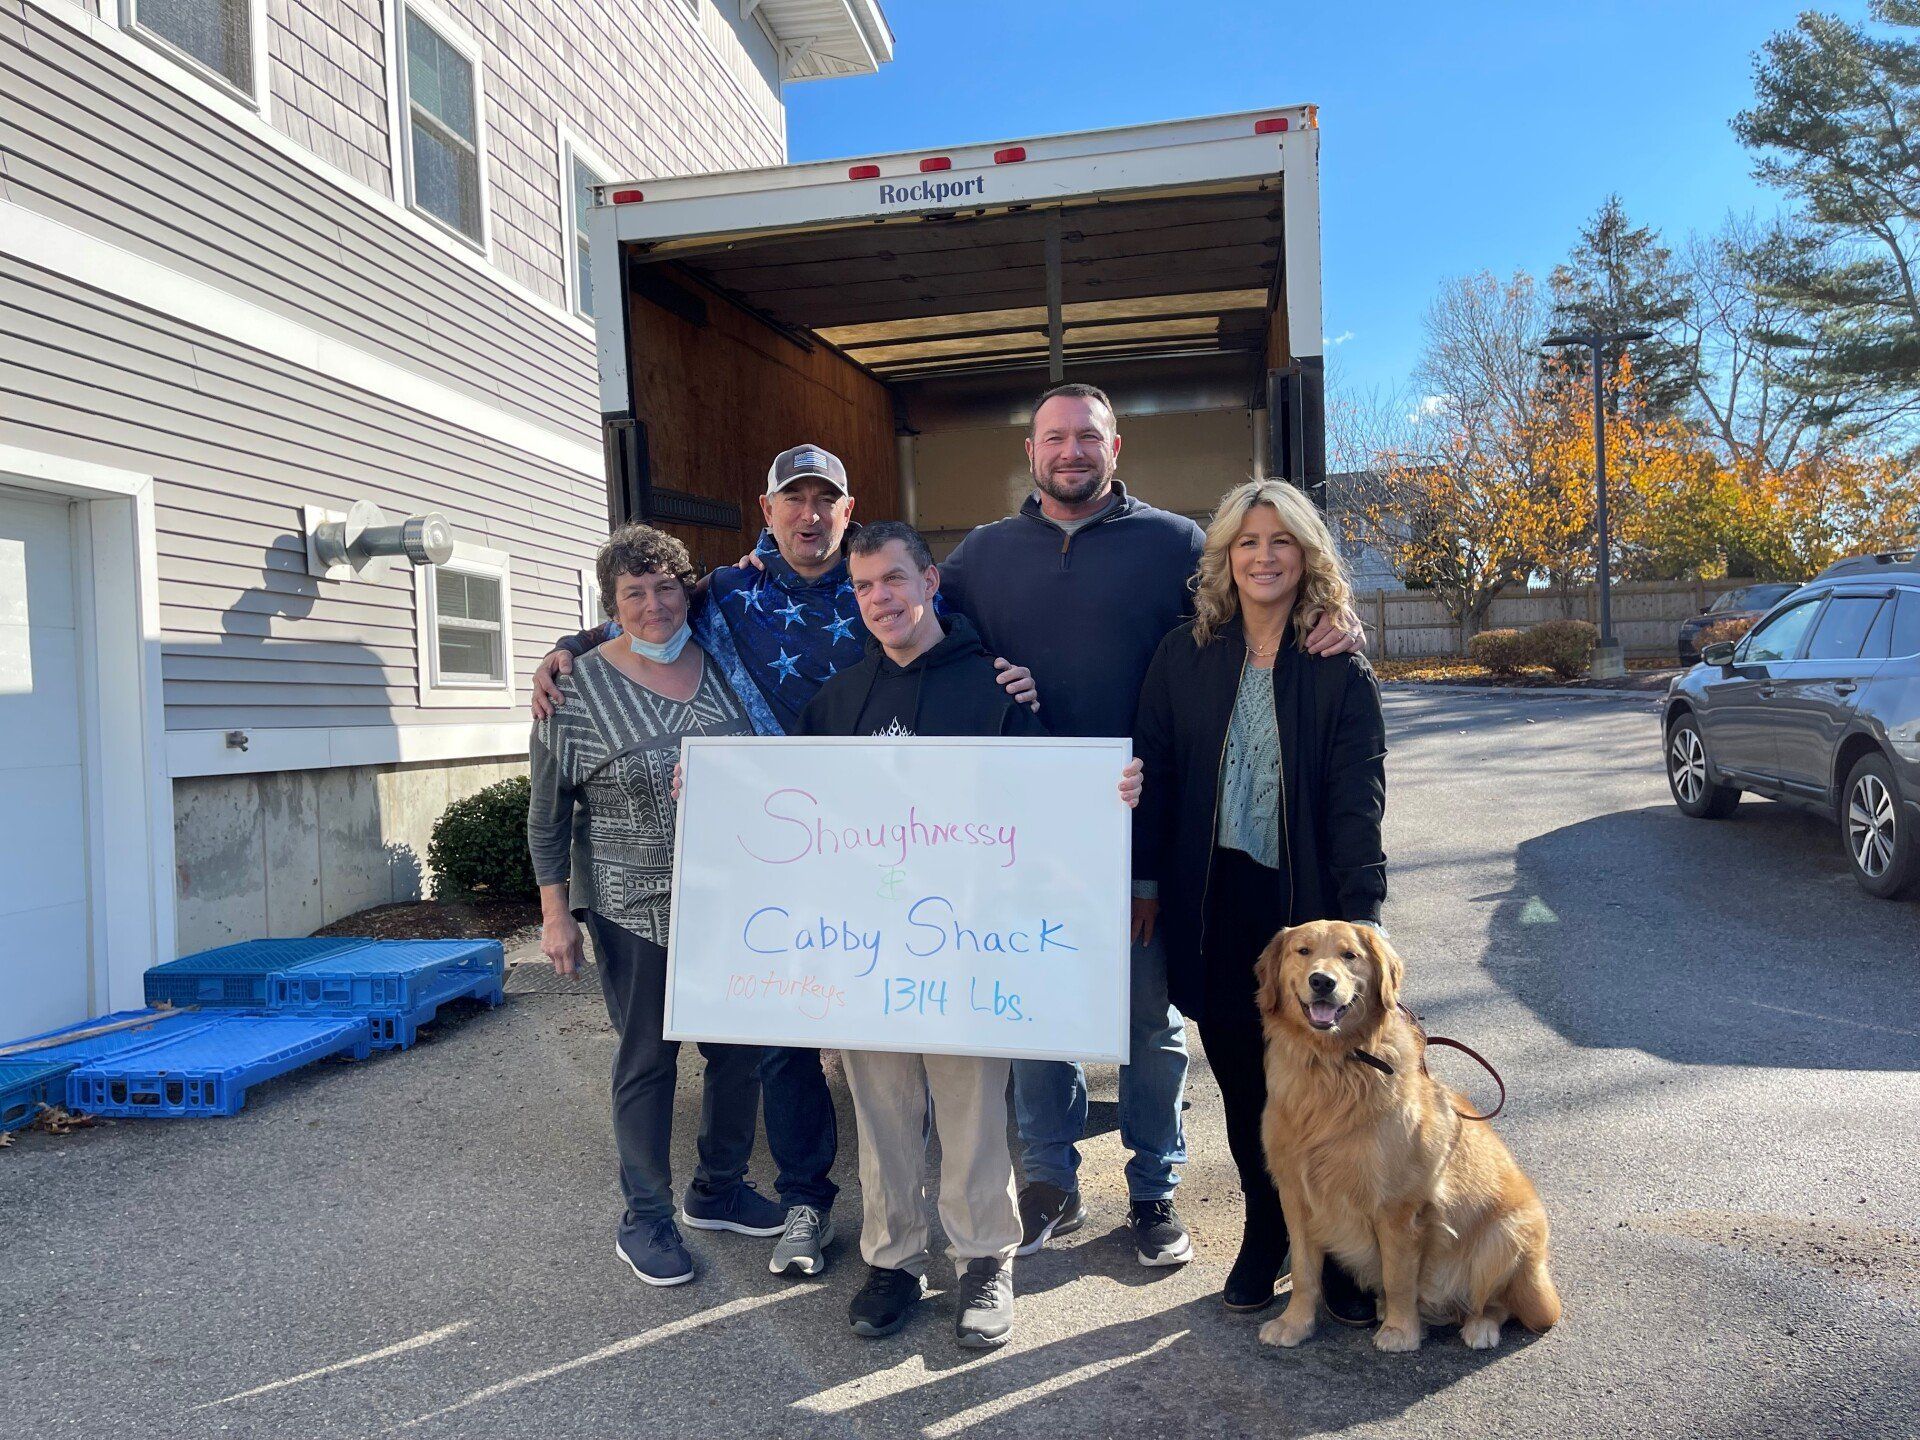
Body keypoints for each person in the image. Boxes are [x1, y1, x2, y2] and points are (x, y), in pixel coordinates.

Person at [528, 444, 1037, 1279]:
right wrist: (564, 646)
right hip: (765, 858)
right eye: (792, 499)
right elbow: (645, 606)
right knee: (779, 1045)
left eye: (824, 499)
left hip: (893, 864)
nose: (809, 513)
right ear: (766, 512)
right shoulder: (728, 593)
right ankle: (805, 1203)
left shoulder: (893, 585)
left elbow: (973, 673)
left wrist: (1020, 693)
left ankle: (973, 1246)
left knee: (910, 1060)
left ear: (849, 511)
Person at [936, 382, 1365, 1271]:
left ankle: (1153, 1187)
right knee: (1041, 1018)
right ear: (1030, 452)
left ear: (1115, 447)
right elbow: (911, 633)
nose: (1070, 452)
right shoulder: (981, 556)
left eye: (1087, 437)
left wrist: (1337, 617)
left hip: (1147, 831)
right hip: (1021, 840)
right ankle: (1049, 1179)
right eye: (1054, 437)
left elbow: (1251, 607)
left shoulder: (1175, 545)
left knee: (1146, 1021)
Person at [794, 520, 1144, 1348]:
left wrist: (1109, 793)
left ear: (930, 582)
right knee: (882, 1113)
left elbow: (1049, 807)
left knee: (974, 1113)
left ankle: (986, 1258)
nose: (879, 598)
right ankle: (893, 1260)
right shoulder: (835, 703)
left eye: (893, 579)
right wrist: (708, 787)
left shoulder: (995, 692)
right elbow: (796, 821)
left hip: (971, 950)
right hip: (869, 954)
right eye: (863, 586)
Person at [1132, 478, 1387, 1321]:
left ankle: (1343, 1252)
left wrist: (1364, 918)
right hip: (1213, 903)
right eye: (1248, 541)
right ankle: (1268, 1230)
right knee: (1246, 1086)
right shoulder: (1184, 655)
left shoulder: (1337, 664)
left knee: (1332, 1091)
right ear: (1225, 557)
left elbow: (1358, 799)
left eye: (1281, 541)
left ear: (1306, 556)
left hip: (1307, 910)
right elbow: (1156, 773)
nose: (1264, 556)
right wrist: (1145, 882)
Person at [527, 523, 780, 1288]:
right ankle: (645, 1217)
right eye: (633, 592)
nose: (653, 605)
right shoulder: (574, 691)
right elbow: (547, 816)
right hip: (634, 906)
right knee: (648, 1058)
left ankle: (720, 1187)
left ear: (685, 591)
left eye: (666, 587)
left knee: (738, 1052)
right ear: (611, 604)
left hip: (731, 898)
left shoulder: (725, 664)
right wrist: (555, 915)